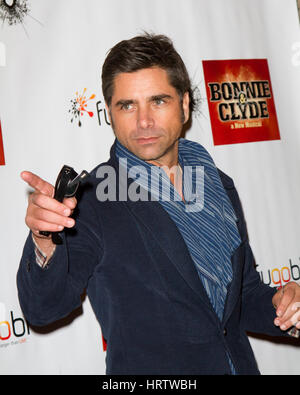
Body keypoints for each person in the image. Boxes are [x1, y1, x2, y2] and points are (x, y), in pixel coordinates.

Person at [17, 33, 300, 375]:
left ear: (184, 104)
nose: (144, 121)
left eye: (158, 101)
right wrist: (44, 240)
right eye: (127, 105)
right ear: (109, 112)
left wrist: (283, 304)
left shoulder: (217, 183)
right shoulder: (91, 200)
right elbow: (43, 308)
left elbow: (241, 298)